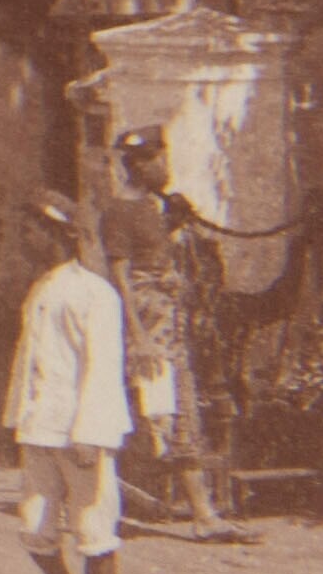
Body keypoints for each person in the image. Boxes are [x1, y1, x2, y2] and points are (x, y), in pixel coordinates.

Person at [1, 190, 132, 574]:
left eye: (29, 231)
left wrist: (92, 434)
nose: (22, 240)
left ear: (58, 234)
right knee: (34, 525)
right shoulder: (41, 289)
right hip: (40, 427)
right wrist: (15, 421)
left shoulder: (95, 294)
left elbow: (103, 367)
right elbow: (27, 362)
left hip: (81, 432)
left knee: (94, 530)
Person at [96, 122, 236, 530]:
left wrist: (178, 224)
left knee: (175, 410)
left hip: (169, 325)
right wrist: (139, 337)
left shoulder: (154, 207)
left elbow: (162, 256)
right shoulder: (119, 212)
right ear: (140, 165)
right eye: (160, 160)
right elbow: (121, 277)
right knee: (165, 413)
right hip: (149, 327)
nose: (167, 168)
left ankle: (200, 512)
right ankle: (202, 514)